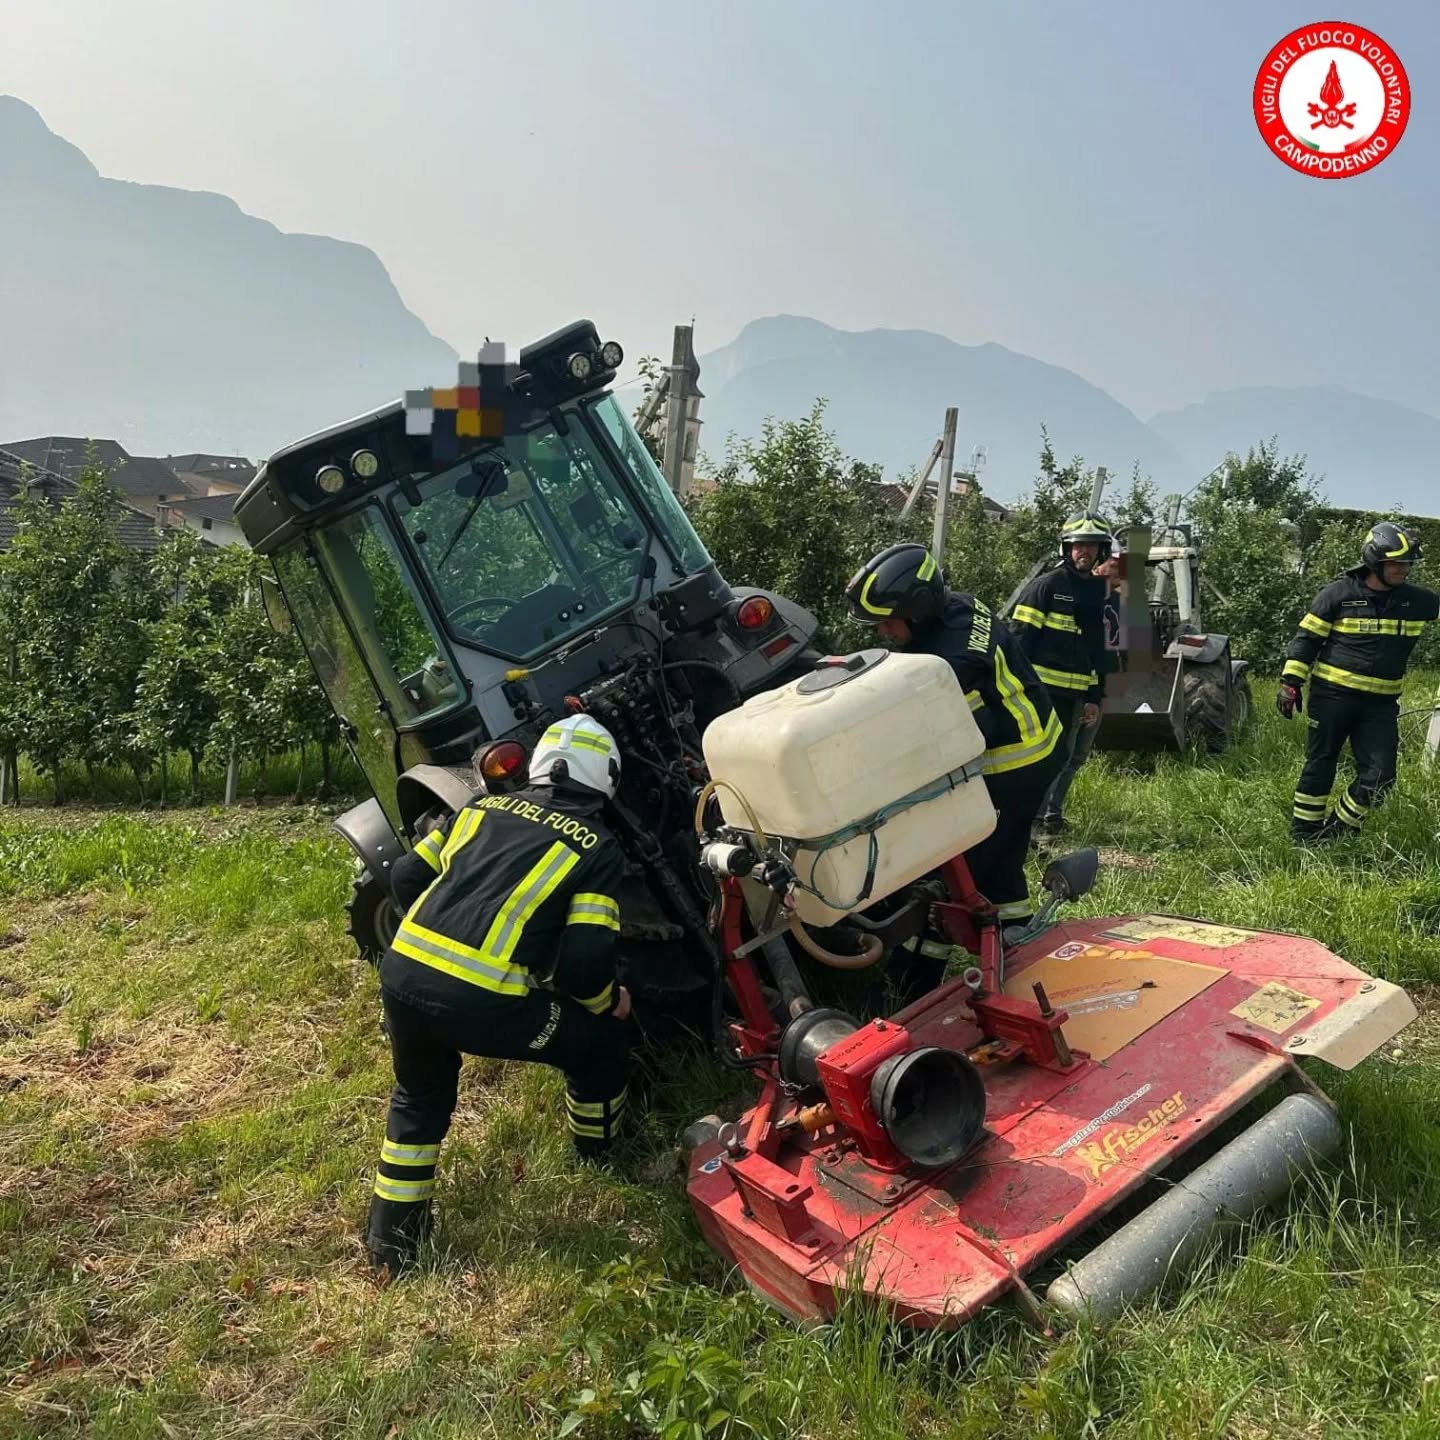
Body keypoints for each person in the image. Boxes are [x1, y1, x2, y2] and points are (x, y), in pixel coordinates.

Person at [366, 714, 631, 1276]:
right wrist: (608, 1002)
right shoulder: (597, 847)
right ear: (607, 777)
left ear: (539, 766)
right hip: (480, 1004)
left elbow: (407, 877)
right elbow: (585, 967)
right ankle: (600, 1155)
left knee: (419, 1097)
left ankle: (393, 1248)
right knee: (599, 1044)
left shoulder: (476, 810)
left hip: (403, 977)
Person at [845, 542, 1065, 954]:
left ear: (917, 611)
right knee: (1003, 860)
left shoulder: (952, 663)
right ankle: (1015, 944)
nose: (883, 633)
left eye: (888, 622)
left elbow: (943, 732)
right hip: (1038, 743)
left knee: (954, 869)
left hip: (1014, 761)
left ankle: (921, 967)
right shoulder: (956, 608)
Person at [1278, 521, 1438, 845]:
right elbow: (1306, 641)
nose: (1404, 570)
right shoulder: (1337, 595)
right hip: (1332, 698)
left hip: (1380, 707)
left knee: (1381, 777)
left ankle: (1335, 834)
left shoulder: (1417, 601)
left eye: (1408, 563)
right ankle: (1304, 837)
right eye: (1396, 563)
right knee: (1321, 764)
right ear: (1374, 561)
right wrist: (1291, 683)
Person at [1011, 513, 1113, 836]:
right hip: (1044, 694)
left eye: (1092, 545)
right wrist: (1022, 690)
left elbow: (1098, 652)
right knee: (1047, 760)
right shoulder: (1047, 586)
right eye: (1079, 545)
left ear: (1101, 550)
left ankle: (1050, 818)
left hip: (1079, 696)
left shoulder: (1099, 593)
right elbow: (1019, 641)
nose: (1085, 551)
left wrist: (1094, 698)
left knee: (1071, 759)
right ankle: (1032, 825)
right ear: (1067, 548)